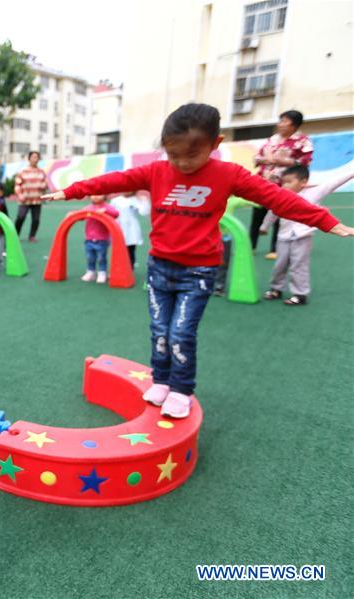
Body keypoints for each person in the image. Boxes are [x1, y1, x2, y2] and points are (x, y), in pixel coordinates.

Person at [42, 103, 352, 419]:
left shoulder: (228, 174)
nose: (182, 163)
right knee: (159, 330)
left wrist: (326, 221)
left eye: (191, 155)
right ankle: (161, 380)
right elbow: (112, 181)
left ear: (215, 145)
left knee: (181, 333)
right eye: (173, 154)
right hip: (159, 268)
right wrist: (70, 191)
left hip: (199, 271)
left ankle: (181, 389)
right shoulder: (156, 171)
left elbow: (279, 199)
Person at [261, 167, 354, 306]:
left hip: (302, 237)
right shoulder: (280, 197)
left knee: (299, 266)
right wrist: (264, 226)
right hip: (283, 238)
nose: (284, 185)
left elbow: (332, 183)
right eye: (283, 182)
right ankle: (276, 288)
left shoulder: (312, 194)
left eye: (289, 182)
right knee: (280, 265)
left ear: (303, 182)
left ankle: (300, 294)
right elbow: (272, 212)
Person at [250, 110, 314, 258]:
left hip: (284, 186)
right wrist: (262, 159)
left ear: (295, 125)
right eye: (281, 121)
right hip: (264, 183)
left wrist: (285, 161)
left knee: (279, 216)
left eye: (285, 121)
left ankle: (274, 249)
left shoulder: (302, 141)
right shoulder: (272, 139)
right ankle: (251, 246)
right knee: (258, 214)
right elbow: (258, 156)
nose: (281, 124)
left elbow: (306, 161)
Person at [80, 195, 119, 284]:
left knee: (101, 257)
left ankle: (102, 272)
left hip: (102, 239)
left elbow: (116, 214)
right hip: (89, 238)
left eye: (99, 194)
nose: (96, 197)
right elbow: (80, 216)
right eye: (93, 194)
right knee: (90, 257)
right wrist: (72, 214)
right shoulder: (88, 208)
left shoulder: (107, 207)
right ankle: (91, 271)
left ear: (105, 195)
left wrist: (106, 211)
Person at [14, 150, 49, 242]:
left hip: (37, 200)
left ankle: (32, 236)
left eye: (37, 157)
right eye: (33, 157)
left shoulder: (41, 172)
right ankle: (15, 235)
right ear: (29, 159)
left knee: (36, 219)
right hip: (24, 199)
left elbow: (45, 184)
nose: (35, 159)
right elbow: (17, 185)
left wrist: (43, 188)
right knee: (20, 217)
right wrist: (19, 195)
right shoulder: (23, 172)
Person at [109, 192, 150, 269]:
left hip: (132, 230)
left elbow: (144, 212)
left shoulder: (136, 200)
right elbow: (110, 213)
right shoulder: (115, 200)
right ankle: (117, 269)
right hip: (118, 228)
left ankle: (129, 270)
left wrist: (145, 201)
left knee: (130, 250)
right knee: (118, 251)